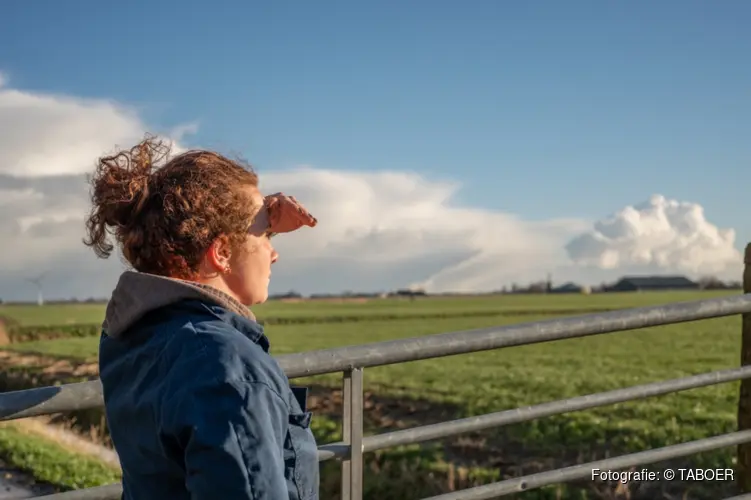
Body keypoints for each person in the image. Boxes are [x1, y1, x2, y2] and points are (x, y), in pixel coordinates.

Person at [84, 136, 320, 499]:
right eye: (266, 235)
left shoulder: (136, 332)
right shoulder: (227, 368)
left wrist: (250, 212)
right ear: (222, 251)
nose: (273, 253)